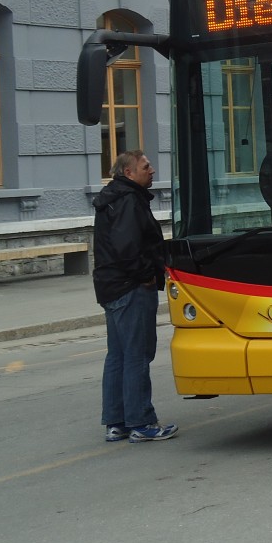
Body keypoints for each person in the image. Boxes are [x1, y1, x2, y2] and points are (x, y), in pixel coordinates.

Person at [92, 150, 177, 444]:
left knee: (117, 355)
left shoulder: (112, 197)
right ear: (129, 173)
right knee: (137, 355)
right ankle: (141, 422)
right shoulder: (129, 200)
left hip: (110, 286)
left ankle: (117, 422)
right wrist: (146, 275)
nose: (152, 170)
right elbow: (128, 247)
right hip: (131, 287)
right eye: (146, 166)